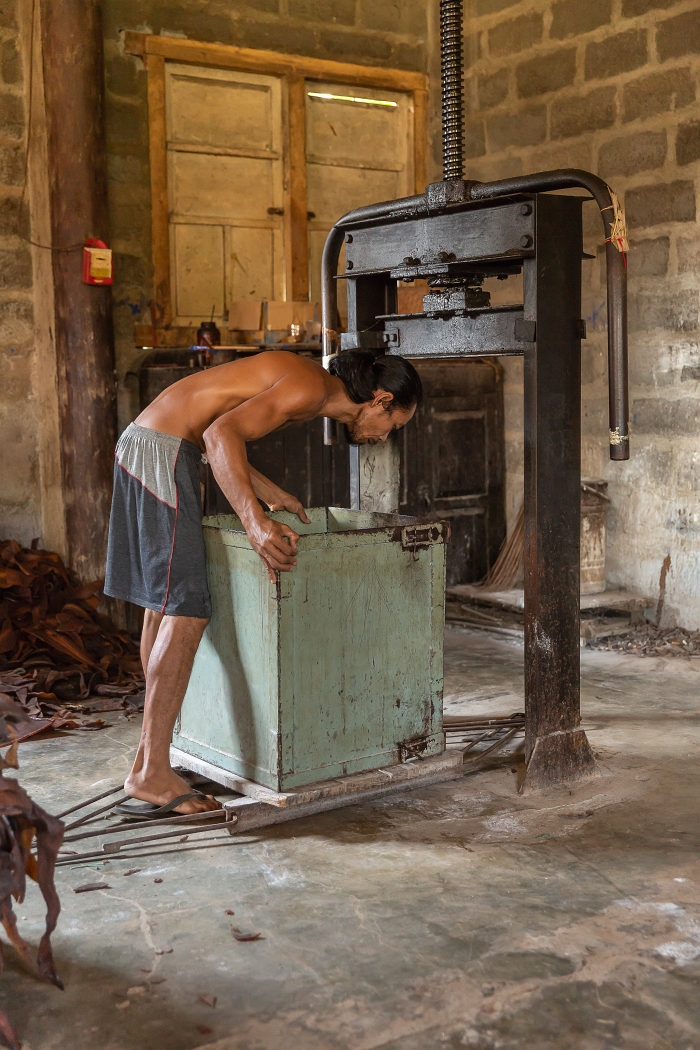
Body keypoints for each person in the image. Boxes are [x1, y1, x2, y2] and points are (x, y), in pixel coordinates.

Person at [104, 350, 422, 818]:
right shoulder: (311, 388)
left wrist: (270, 495)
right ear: (380, 400)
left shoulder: (309, 385)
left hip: (151, 445)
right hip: (164, 451)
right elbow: (220, 435)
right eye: (394, 424)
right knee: (185, 610)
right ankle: (151, 771)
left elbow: (214, 433)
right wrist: (253, 523)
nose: (385, 435)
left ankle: (150, 761)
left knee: (163, 606)